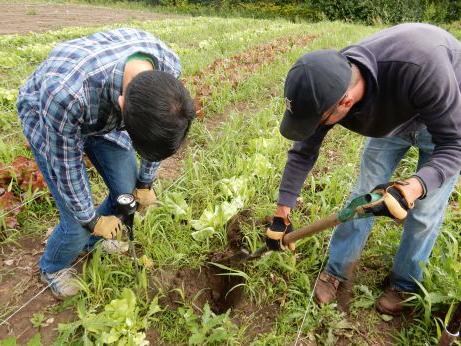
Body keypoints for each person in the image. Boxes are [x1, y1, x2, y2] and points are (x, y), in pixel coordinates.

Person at [265, 23, 461, 316]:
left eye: (318, 121)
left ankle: (405, 286)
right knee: (363, 195)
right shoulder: (329, 80)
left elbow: (455, 145)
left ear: (345, 102)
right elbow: (304, 149)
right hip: (392, 119)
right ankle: (336, 270)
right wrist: (282, 213)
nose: (315, 127)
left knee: (425, 210)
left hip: (443, 121)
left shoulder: (422, 68)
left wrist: (414, 186)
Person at [17, 28, 196, 299]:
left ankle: (95, 242)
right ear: (122, 106)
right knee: (75, 223)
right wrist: (91, 220)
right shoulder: (65, 94)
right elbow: (67, 168)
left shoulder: (167, 67)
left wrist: (145, 182)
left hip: (101, 112)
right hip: (50, 118)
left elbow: (156, 133)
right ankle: (53, 267)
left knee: (126, 192)